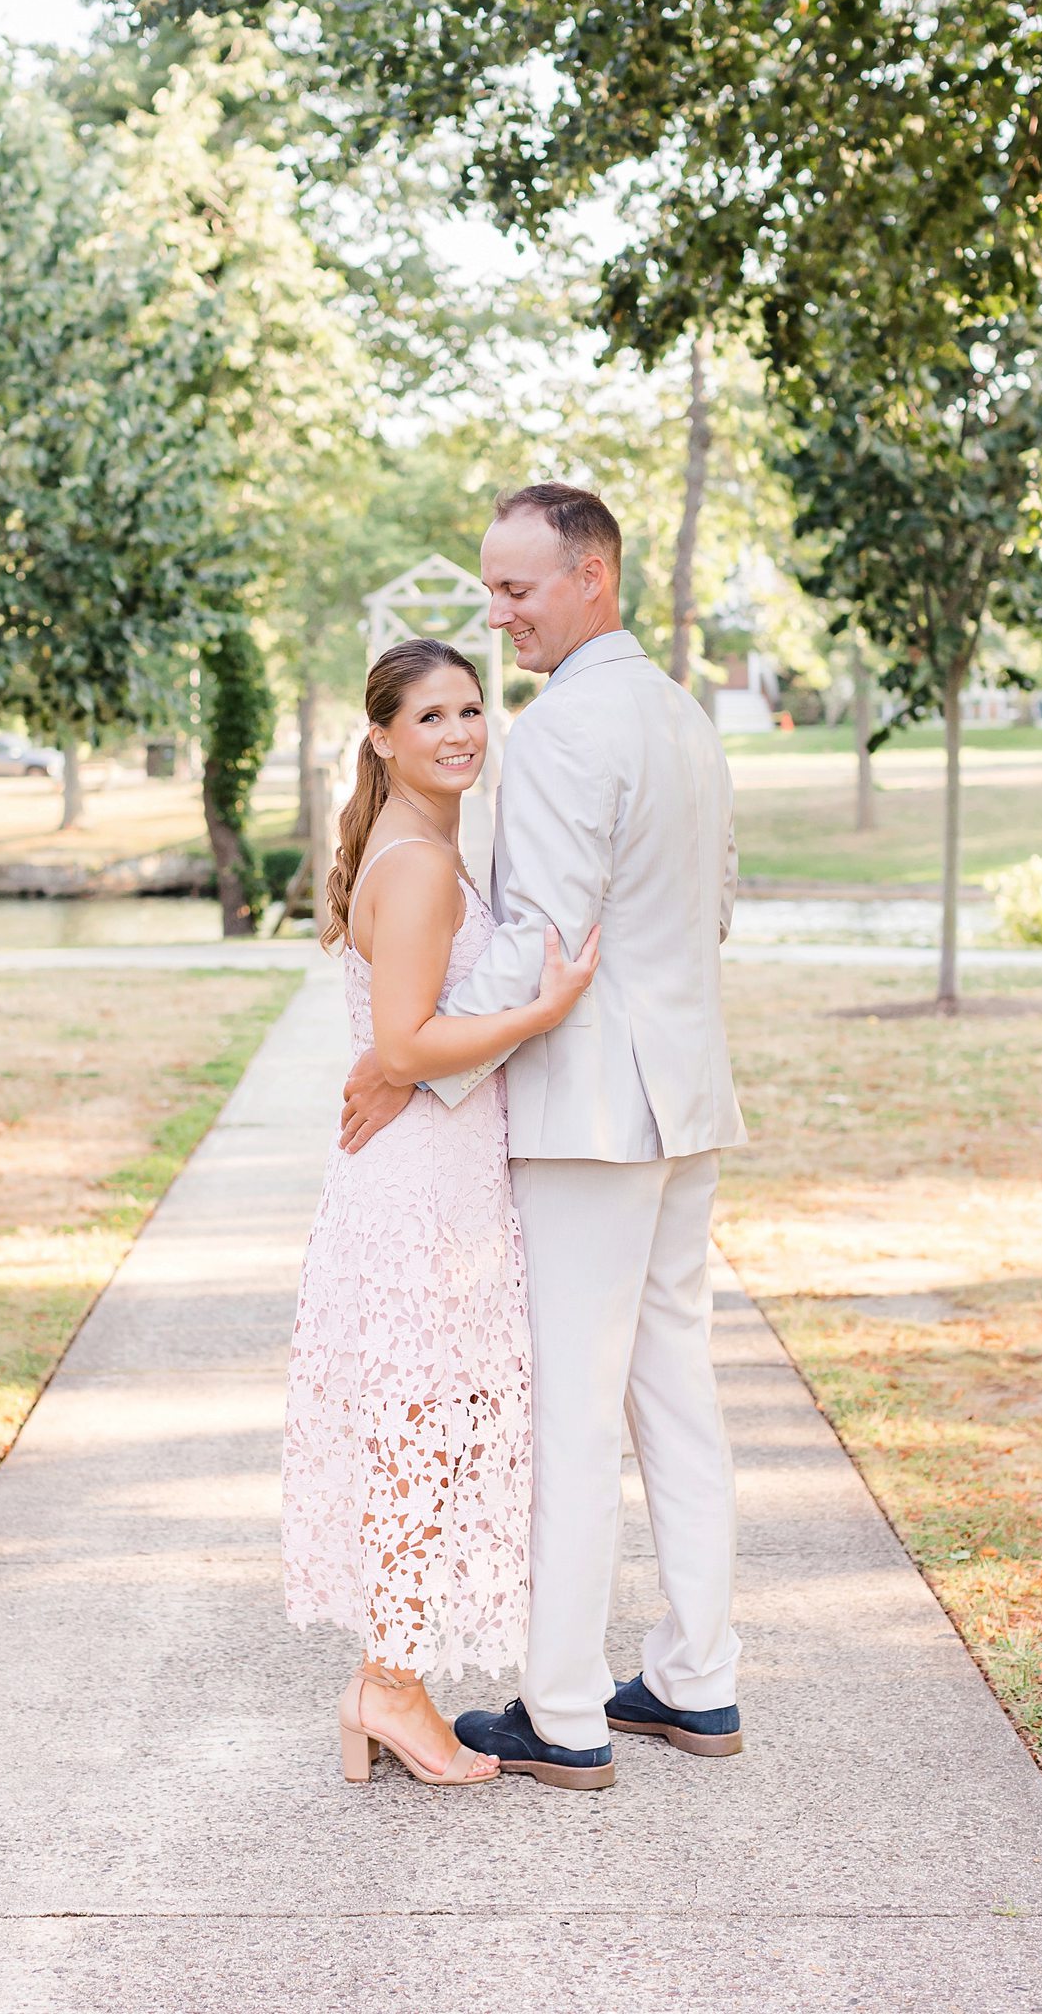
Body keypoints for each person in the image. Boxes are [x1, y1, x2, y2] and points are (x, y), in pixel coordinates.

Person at [341, 483, 747, 1791]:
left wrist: (404, 1062)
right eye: (490, 586)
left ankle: (566, 1711)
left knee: (573, 1412)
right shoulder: (682, 714)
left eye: (519, 588)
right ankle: (698, 1680)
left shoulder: (569, 726)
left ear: (594, 580)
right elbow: (716, 907)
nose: (498, 612)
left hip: (586, 1113)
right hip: (683, 1098)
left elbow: (539, 940)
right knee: (676, 1394)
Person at [280, 636, 599, 1789]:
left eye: (472, 709)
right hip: (416, 1189)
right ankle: (391, 1686)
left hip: (440, 1182)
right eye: (430, 717)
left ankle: (389, 1678)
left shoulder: (421, 845)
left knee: (433, 1434)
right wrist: (545, 1008)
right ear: (380, 736)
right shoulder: (413, 863)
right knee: (420, 1437)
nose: (460, 732)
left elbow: (399, 1044)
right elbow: (407, 1046)